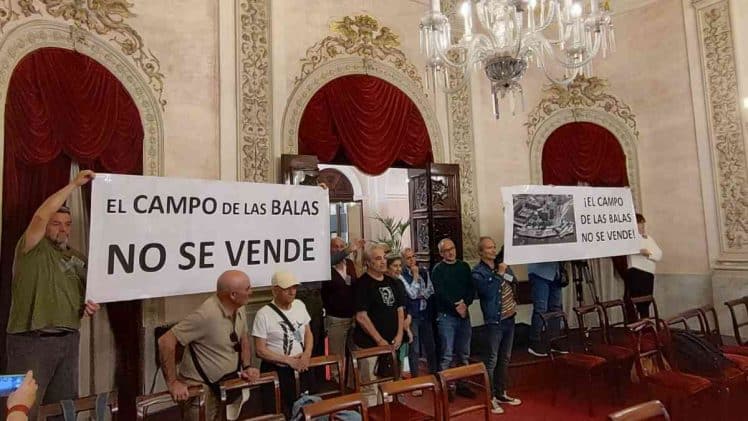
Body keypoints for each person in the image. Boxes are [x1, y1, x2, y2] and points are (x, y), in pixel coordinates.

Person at [5, 170, 100, 419]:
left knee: (63, 409)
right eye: (56, 224)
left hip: (68, 341)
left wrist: (89, 306)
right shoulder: (31, 247)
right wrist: (74, 185)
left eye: (67, 225)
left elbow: (89, 294)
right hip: (30, 341)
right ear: (46, 225)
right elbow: (39, 216)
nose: (63, 230)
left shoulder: (77, 258)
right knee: (21, 406)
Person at [158, 270, 260, 421]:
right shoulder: (206, 314)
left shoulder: (239, 307)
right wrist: (172, 383)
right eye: (247, 289)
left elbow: (243, 337)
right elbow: (165, 341)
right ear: (233, 295)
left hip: (225, 385)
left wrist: (246, 367)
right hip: (201, 391)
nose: (251, 292)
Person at [253, 271, 314, 418]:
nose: (292, 292)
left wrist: (306, 355)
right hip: (276, 370)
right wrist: (288, 360)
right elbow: (260, 350)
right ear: (275, 290)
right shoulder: (263, 314)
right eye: (287, 288)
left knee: (305, 407)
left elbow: (308, 333)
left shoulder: (300, 305)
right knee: (276, 411)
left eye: (294, 287)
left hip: (301, 366)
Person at [472, 238, 521, 414]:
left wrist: (504, 271)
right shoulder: (478, 272)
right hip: (494, 321)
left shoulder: (501, 265)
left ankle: (501, 393)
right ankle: (490, 396)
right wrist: (499, 274)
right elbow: (487, 291)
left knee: (505, 358)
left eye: (494, 247)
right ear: (481, 252)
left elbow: (514, 280)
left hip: (510, 317)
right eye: (489, 248)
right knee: (491, 359)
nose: (493, 251)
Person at [352, 245, 405, 403]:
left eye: (383, 258)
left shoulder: (392, 282)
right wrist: (379, 340)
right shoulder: (362, 284)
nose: (383, 262)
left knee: (387, 387)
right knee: (370, 387)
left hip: (391, 344)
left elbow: (400, 309)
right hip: (370, 345)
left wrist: (400, 334)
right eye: (377, 258)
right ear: (368, 262)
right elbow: (361, 317)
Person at [431, 238, 476, 399]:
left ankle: (463, 384)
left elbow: (471, 288)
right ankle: (447, 387)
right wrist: (456, 307)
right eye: (446, 250)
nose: (450, 252)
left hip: (464, 313)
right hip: (446, 316)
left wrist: (465, 303)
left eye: (452, 248)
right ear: (441, 253)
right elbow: (440, 293)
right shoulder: (438, 269)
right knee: (447, 354)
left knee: (464, 353)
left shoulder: (463, 266)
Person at [322, 237, 364, 382]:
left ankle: (353, 386)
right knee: (337, 357)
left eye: (342, 246)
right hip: (336, 319)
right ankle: (337, 388)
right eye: (336, 246)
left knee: (355, 356)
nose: (339, 249)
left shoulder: (351, 264)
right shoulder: (325, 268)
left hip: (353, 318)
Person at [400, 248, 437, 377]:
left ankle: (434, 375)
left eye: (413, 257)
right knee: (414, 349)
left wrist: (419, 294)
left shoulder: (424, 272)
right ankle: (415, 378)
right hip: (413, 315)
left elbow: (430, 290)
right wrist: (415, 277)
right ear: (403, 260)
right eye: (408, 258)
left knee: (430, 346)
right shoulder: (402, 276)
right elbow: (411, 294)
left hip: (425, 313)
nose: (411, 260)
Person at [625, 213, 663, 319]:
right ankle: (642, 326)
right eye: (639, 224)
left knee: (647, 301)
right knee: (639, 302)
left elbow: (659, 254)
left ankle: (645, 324)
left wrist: (648, 254)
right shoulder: (629, 238)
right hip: (637, 273)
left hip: (648, 274)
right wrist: (642, 251)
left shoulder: (648, 238)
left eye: (642, 224)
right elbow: (630, 249)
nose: (642, 227)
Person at [527, 260, 564, 358]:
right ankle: (534, 342)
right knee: (540, 309)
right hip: (539, 272)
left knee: (556, 308)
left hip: (555, 272)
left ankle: (554, 340)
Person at [385, 255, 413, 371]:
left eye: (400, 266)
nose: (398, 269)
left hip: (403, 327)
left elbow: (406, 304)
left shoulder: (400, 283)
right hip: (390, 330)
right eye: (395, 266)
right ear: (387, 267)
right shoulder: (385, 284)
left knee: (400, 362)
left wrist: (408, 320)